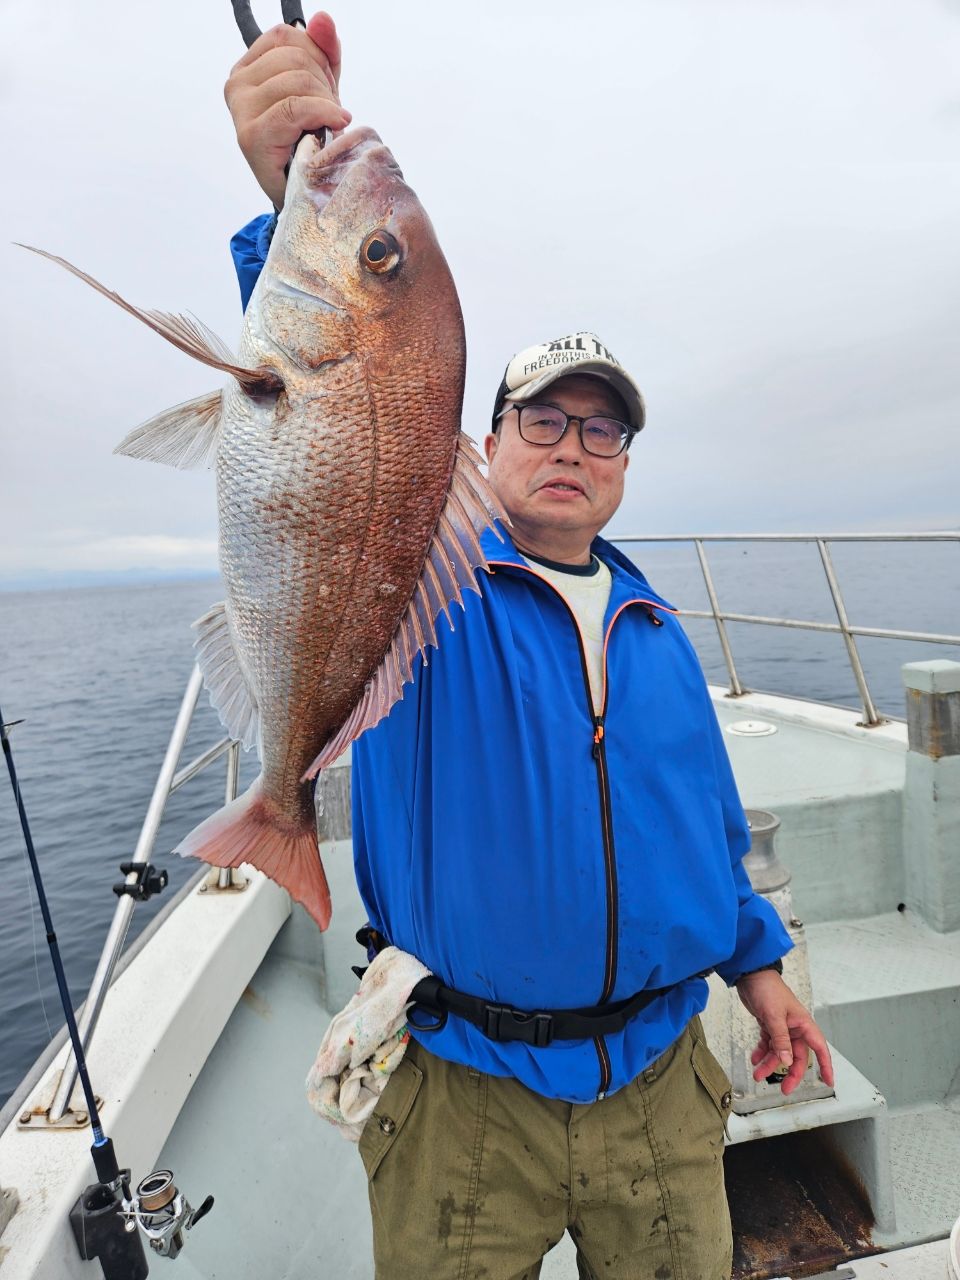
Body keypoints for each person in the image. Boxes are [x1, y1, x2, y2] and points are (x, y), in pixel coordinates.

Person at [224, 16, 835, 1280]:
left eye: (602, 429)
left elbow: (702, 823)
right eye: (542, 418)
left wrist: (761, 967)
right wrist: (289, 205)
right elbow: (335, 432)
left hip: (662, 1093)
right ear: (481, 441)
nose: (572, 445)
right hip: (465, 1100)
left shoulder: (654, 626)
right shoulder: (429, 589)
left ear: (625, 466)